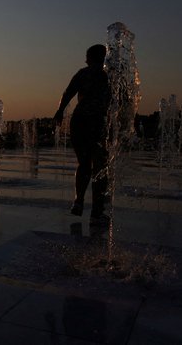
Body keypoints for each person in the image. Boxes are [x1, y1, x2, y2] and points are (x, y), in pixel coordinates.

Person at [54, 44, 110, 227]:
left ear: (92, 57)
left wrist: (60, 111)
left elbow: (67, 93)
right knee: (101, 168)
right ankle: (97, 211)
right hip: (97, 123)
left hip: (79, 121)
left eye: (87, 57)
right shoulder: (109, 76)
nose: (85, 60)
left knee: (84, 163)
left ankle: (78, 202)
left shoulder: (83, 73)